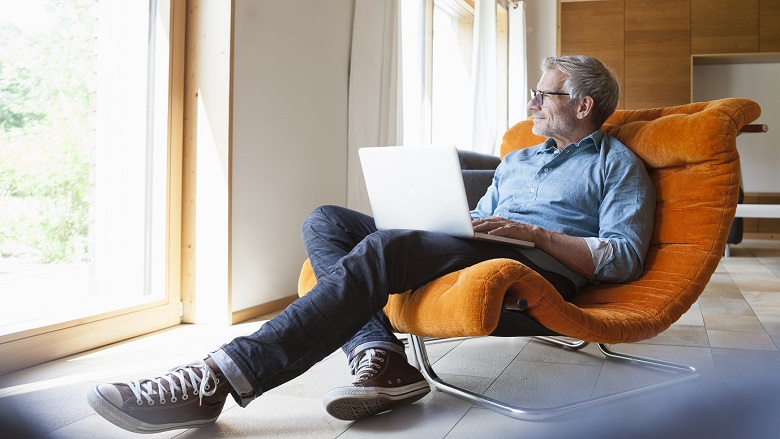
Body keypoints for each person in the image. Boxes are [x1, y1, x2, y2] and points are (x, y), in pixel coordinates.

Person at [87, 55, 655, 434]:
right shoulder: (519, 158)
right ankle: (380, 356)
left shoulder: (617, 165)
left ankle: (221, 378)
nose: (531, 103)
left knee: (385, 248)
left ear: (583, 105)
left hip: (535, 264)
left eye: (544, 94)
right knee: (327, 220)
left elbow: (623, 256)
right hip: (481, 244)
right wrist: (458, 220)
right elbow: (482, 216)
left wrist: (535, 234)